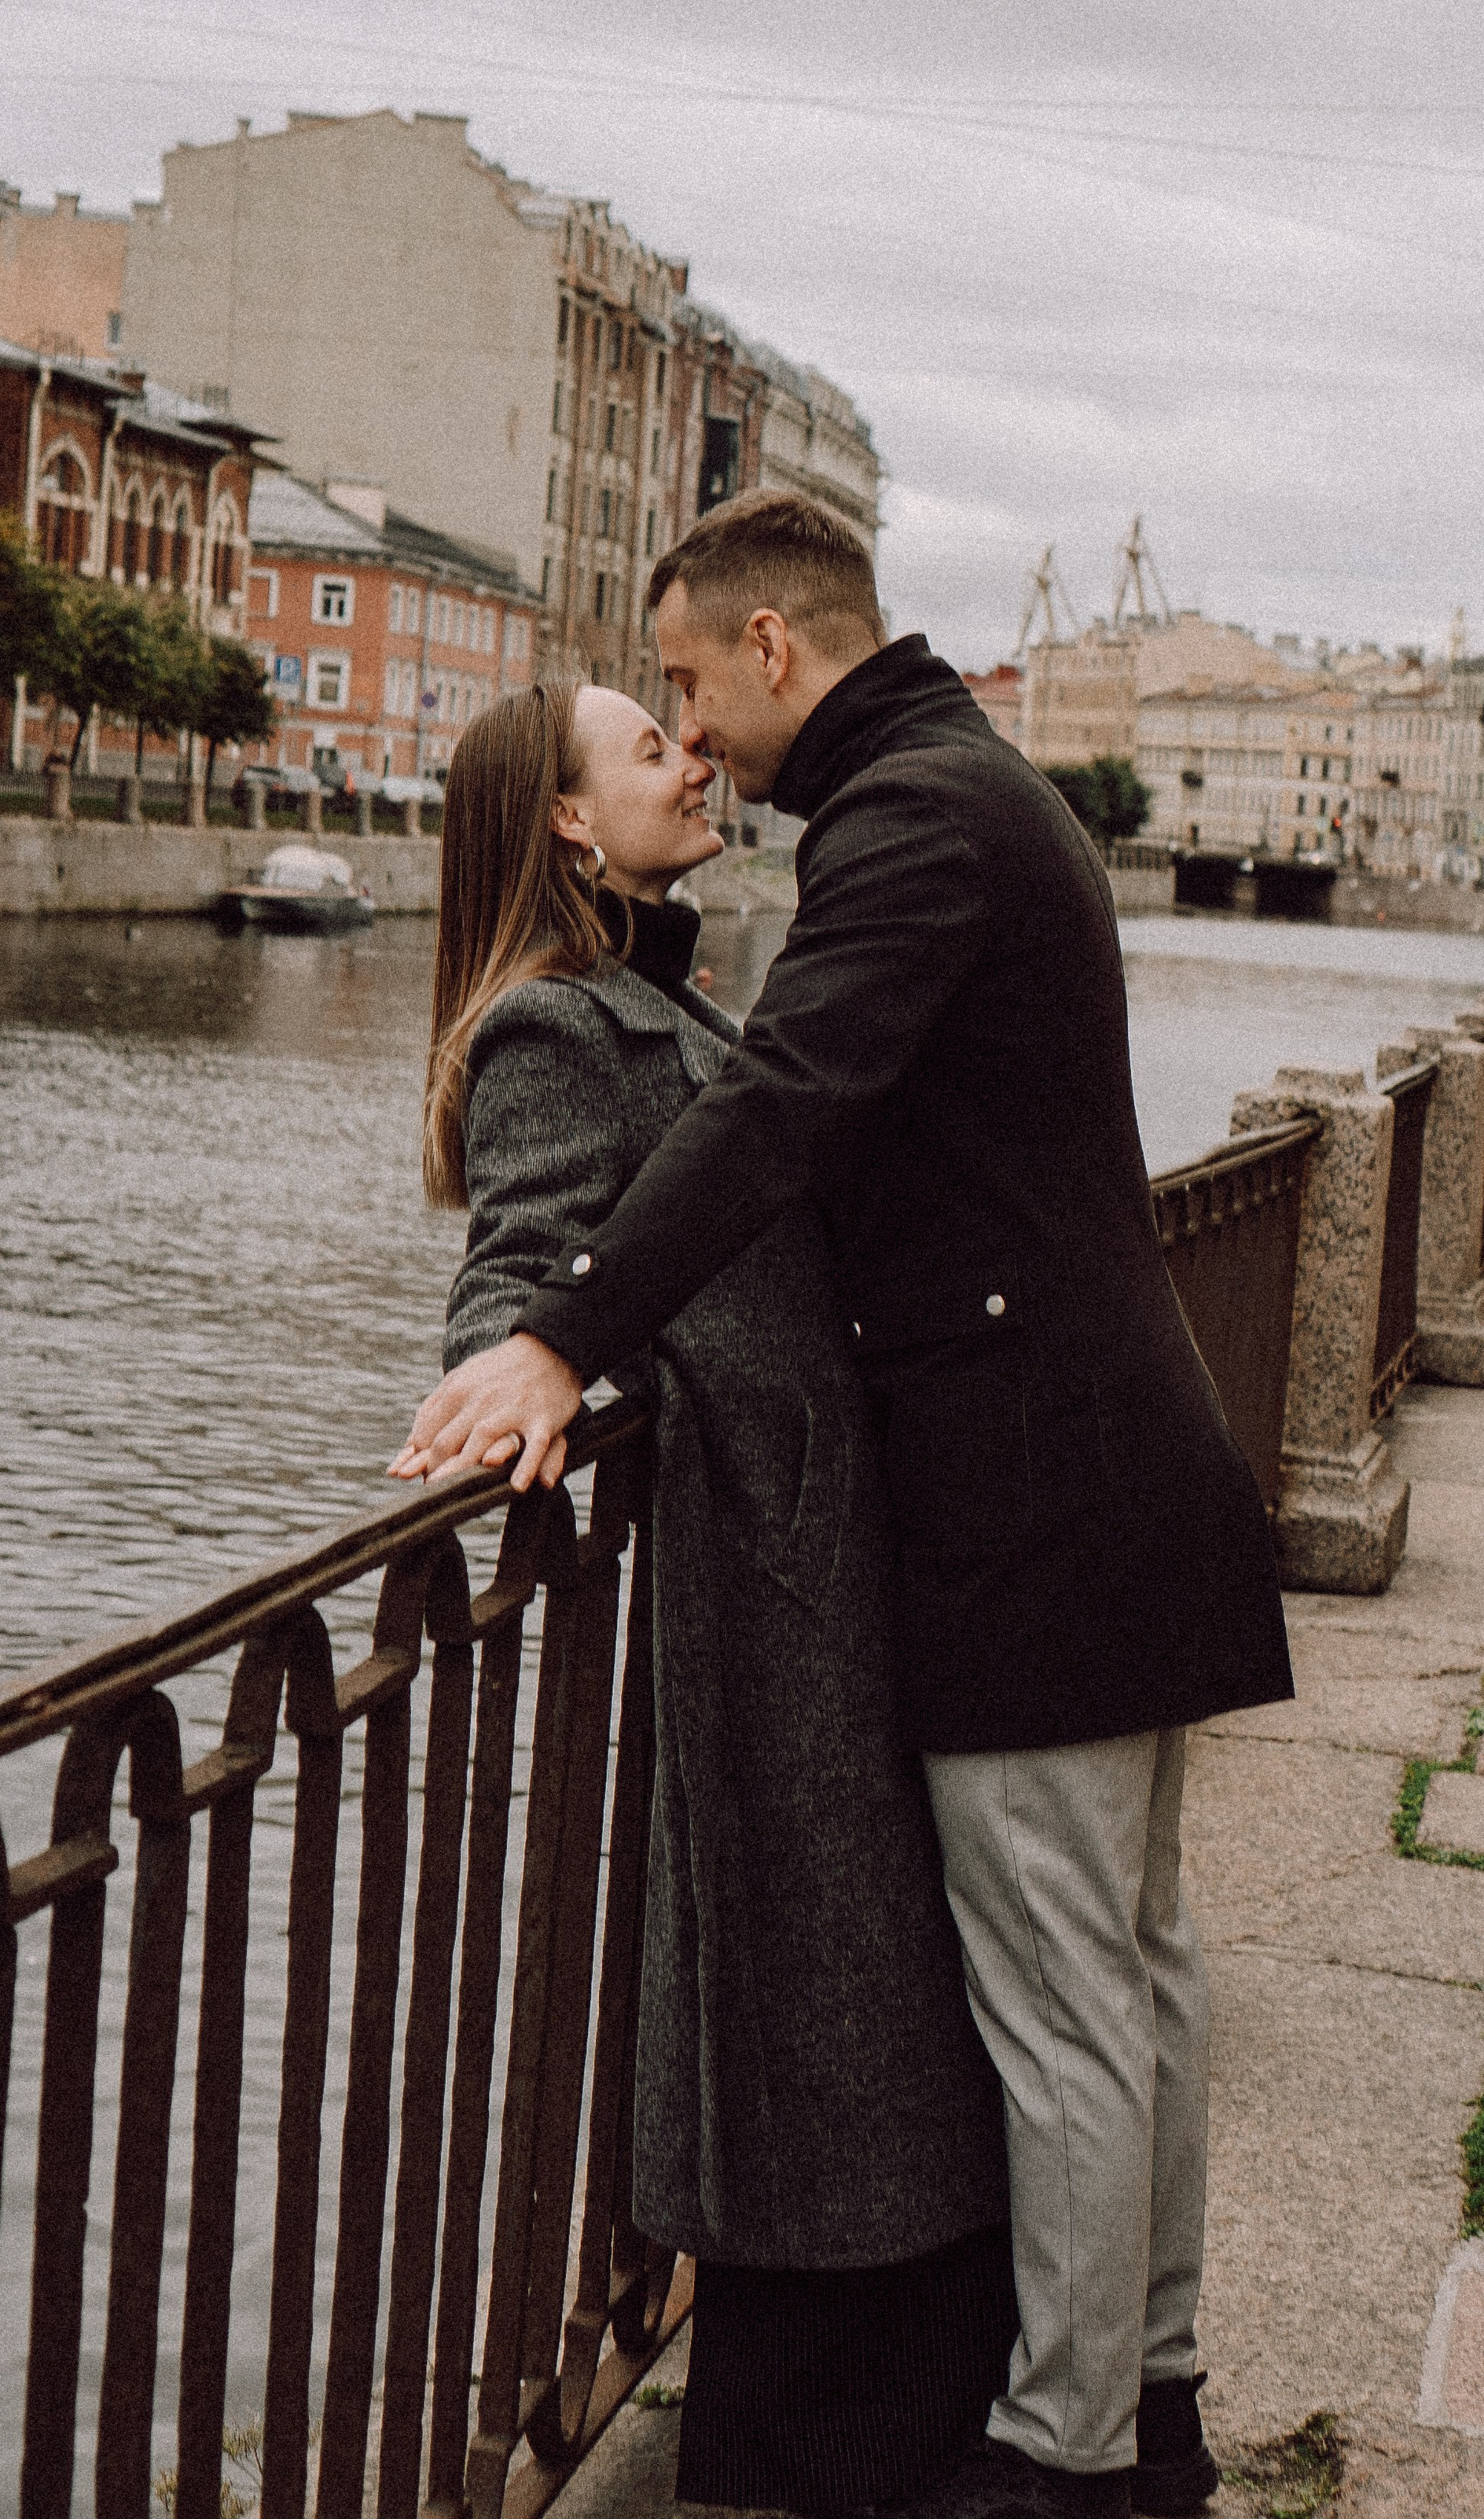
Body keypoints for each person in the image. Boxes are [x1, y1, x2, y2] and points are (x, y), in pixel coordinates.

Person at [397, 494, 1296, 2519]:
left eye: (694, 690)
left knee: (1077, 1997)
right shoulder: (966, 797)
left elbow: (784, 1100)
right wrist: (537, 1310)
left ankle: (1067, 2458)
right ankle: (1144, 2400)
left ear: (775, 652)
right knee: (1135, 1977)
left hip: (1029, 1506)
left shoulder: (913, 824)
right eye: (660, 726)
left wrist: (566, 1338)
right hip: (1102, 1476)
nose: (696, 740)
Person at [421, 677, 1015, 2512]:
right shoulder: (551, 1028)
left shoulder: (668, 993)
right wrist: (529, 1373)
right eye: (647, 746)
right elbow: (519, 1274)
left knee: (862, 2006)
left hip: (819, 1557)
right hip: (758, 1582)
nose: (694, 757)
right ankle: (817, 2441)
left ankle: (861, 2420)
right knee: (817, 2012)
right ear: (570, 828)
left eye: (688, 729)